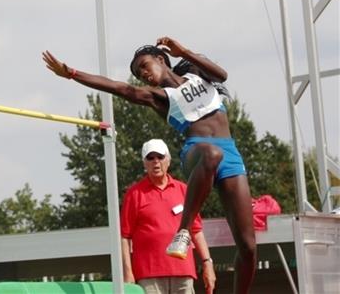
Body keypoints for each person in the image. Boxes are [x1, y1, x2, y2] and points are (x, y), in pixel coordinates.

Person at [42, 36, 256, 294]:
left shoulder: (196, 72)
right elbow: (118, 87)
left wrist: (184, 51)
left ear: (161, 59)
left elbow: (221, 74)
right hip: (196, 150)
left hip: (230, 152)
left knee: (249, 247)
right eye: (137, 73)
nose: (142, 74)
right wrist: (73, 74)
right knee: (211, 154)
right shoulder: (159, 97)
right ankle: (183, 231)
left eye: (144, 66)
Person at [121, 138, 215, 294]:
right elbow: (124, 237)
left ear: (168, 161)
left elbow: (196, 230)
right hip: (148, 275)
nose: (156, 162)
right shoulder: (134, 194)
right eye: (150, 158)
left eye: (160, 157)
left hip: (183, 272)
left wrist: (207, 263)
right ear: (144, 163)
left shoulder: (184, 190)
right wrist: (127, 272)